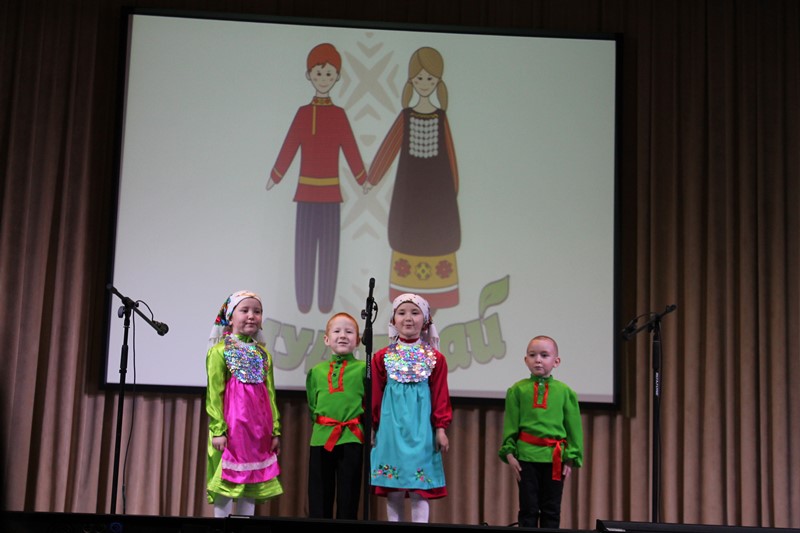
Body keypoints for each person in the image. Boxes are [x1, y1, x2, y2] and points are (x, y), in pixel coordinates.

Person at [268, 42, 367, 314]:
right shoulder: (303, 113)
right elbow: (290, 146)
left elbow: (350, 148)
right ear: (309, 75)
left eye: (329, 74)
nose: (323, 78)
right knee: (304, 250)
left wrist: (363, 179)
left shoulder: (339, 114)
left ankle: (325, 304)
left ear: (336, 77)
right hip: (305, 194)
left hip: (332, 195)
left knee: (330, 253)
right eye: (318, 73)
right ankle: (302, 302)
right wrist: (276, 176)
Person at [365, 47, 461, 310]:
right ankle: (407, 301)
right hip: (410, 198)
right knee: (408, 238)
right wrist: (372, 178)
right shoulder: (406, 116)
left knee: (438, 240)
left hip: (439, 196)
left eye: (430, 79)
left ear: (438, 82)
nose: (424, 83)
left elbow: (451, 155)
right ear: (411, 81)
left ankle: (438, 298)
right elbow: (389, 147)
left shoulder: (441, 117)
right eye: (419, 78)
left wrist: (453, 191)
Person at [370, 293, 452, 523]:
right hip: (391, 428)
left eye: (415, 313)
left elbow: (440, 395)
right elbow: (375, 394)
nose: (408, 318)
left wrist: (441, 429)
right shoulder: (381, 357)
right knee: (393, 487)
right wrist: (373, 426)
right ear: (393, 319)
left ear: (425, 320)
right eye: (402, 313)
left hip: (421, 429)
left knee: (419, 488)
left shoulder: (435, 358)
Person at [205, 290, 283, 517]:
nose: (251, 316)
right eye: (244, 310)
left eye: (257, 311)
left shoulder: (263, 354)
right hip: (231, 431)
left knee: (251, 484)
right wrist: (218, 429)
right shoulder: (219, 351)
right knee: (226, 482)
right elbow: (214, 394)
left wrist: (274, 430)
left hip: (258, 432)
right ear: (230, 317)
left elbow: (270, 395)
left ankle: (243, 525)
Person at [498, 335, 584, 528]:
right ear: (525, 359)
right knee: (528, 509)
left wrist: (571, 457)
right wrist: (510, 453)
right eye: (532, 355)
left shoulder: (565, 392)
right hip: (526, 458)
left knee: (551, 509)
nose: (538, 360)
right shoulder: (517, 390)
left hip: (555, 458)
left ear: (556, 361)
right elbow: (511, 424)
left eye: (544, 355)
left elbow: (574, 428)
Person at [305, 312, 367, 519]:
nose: (342, 335)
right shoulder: (316, 371)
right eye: (337, 331)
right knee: (319, 494)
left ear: (358, 340)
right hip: (322, 438)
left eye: (349, 332)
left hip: (352, 437)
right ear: (326, 339)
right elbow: (313, 404)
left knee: (349, 495)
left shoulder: (363, 369)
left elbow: (368, 402)